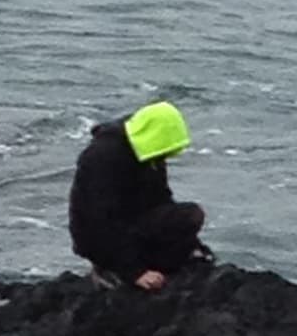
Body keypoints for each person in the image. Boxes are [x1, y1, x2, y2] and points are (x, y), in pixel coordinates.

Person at [68, 100, 211, 291]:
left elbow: (161, 198)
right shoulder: (102, 157)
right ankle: (108, 268)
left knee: (190, 216)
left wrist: (190, 243)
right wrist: (134, 272)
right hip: (98, 236)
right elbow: (99, 221)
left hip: (132, 221)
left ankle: (156, 258)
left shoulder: (150, 153)